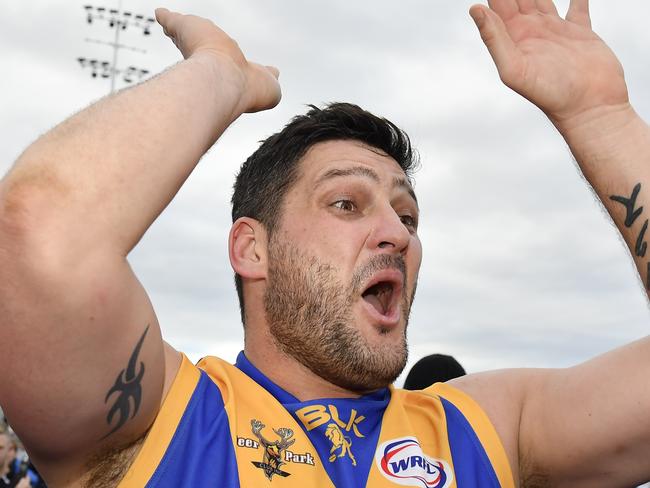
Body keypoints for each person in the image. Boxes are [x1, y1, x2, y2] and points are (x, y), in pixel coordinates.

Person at [0, 0, 649, 486]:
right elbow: (39, 235)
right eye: (346, 203)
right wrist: (221, 76)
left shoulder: (487, 429)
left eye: (408, 216)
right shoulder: (160, 423)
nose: (397, 234)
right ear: (252, 250)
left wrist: (601, 116)